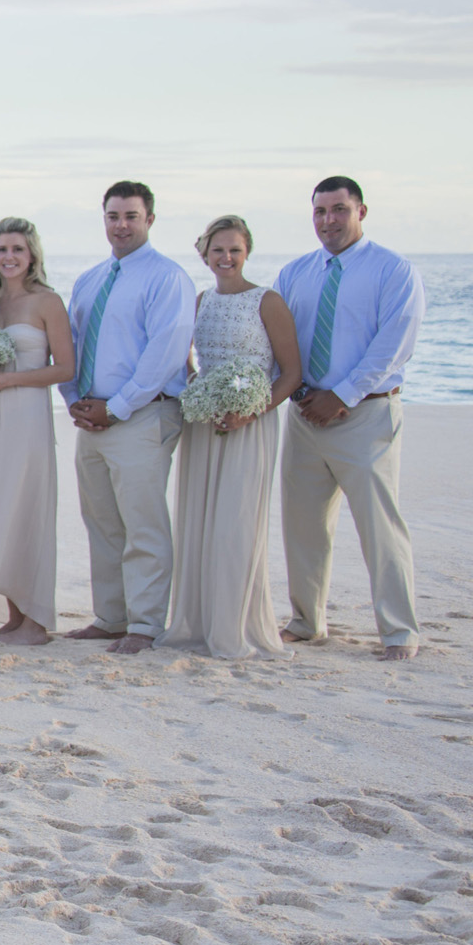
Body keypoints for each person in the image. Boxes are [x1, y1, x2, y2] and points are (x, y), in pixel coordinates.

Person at [273, 177, 425, 661]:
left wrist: (341, 395)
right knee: (303, 525)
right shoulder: (295, 273)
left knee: (380, 526)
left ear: (361, 211)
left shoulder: (393, 271)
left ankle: (399, 631)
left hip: (366, 415)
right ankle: (306, 620)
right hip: (304, 416)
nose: (328, 221)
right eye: (319, 211)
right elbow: (279, 341)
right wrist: (293, 392)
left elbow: (393, 344)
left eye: (339, 210)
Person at [59, 182, 195, 655]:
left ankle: (145, 623)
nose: (121, 225)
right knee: (101, 521)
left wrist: (116, 407)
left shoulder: (167, 278)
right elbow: (72, 344)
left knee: (143, 522)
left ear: (150, 220)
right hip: (92, 415)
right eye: (113, 216)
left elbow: (166, 353)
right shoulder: (90, 279)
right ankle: (111, 616)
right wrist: (75, 399)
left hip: (142, 414)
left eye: (131, 216)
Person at [163, 215, 302, 660]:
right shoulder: (200, 301)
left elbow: (291, 373)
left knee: (235, 526)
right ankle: (199, 625)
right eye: (218, 250)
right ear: (204, 253)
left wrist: (250, 412)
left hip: (250, 427)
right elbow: (185, 362)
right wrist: (198, 395)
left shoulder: (267, 301)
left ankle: (234, 627)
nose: (226, 258)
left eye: (235, 250)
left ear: (247, 253)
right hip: (204, 426)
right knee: (200, 523)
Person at [0, 218, 72, 646]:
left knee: (27, 507)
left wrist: (8, 380)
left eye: (17, 250)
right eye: (2, 250)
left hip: (26, 414)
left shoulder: (48, 302)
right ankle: (13, 614)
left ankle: (36, 621)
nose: (9, 257)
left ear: (32, 256)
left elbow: (65, 368)